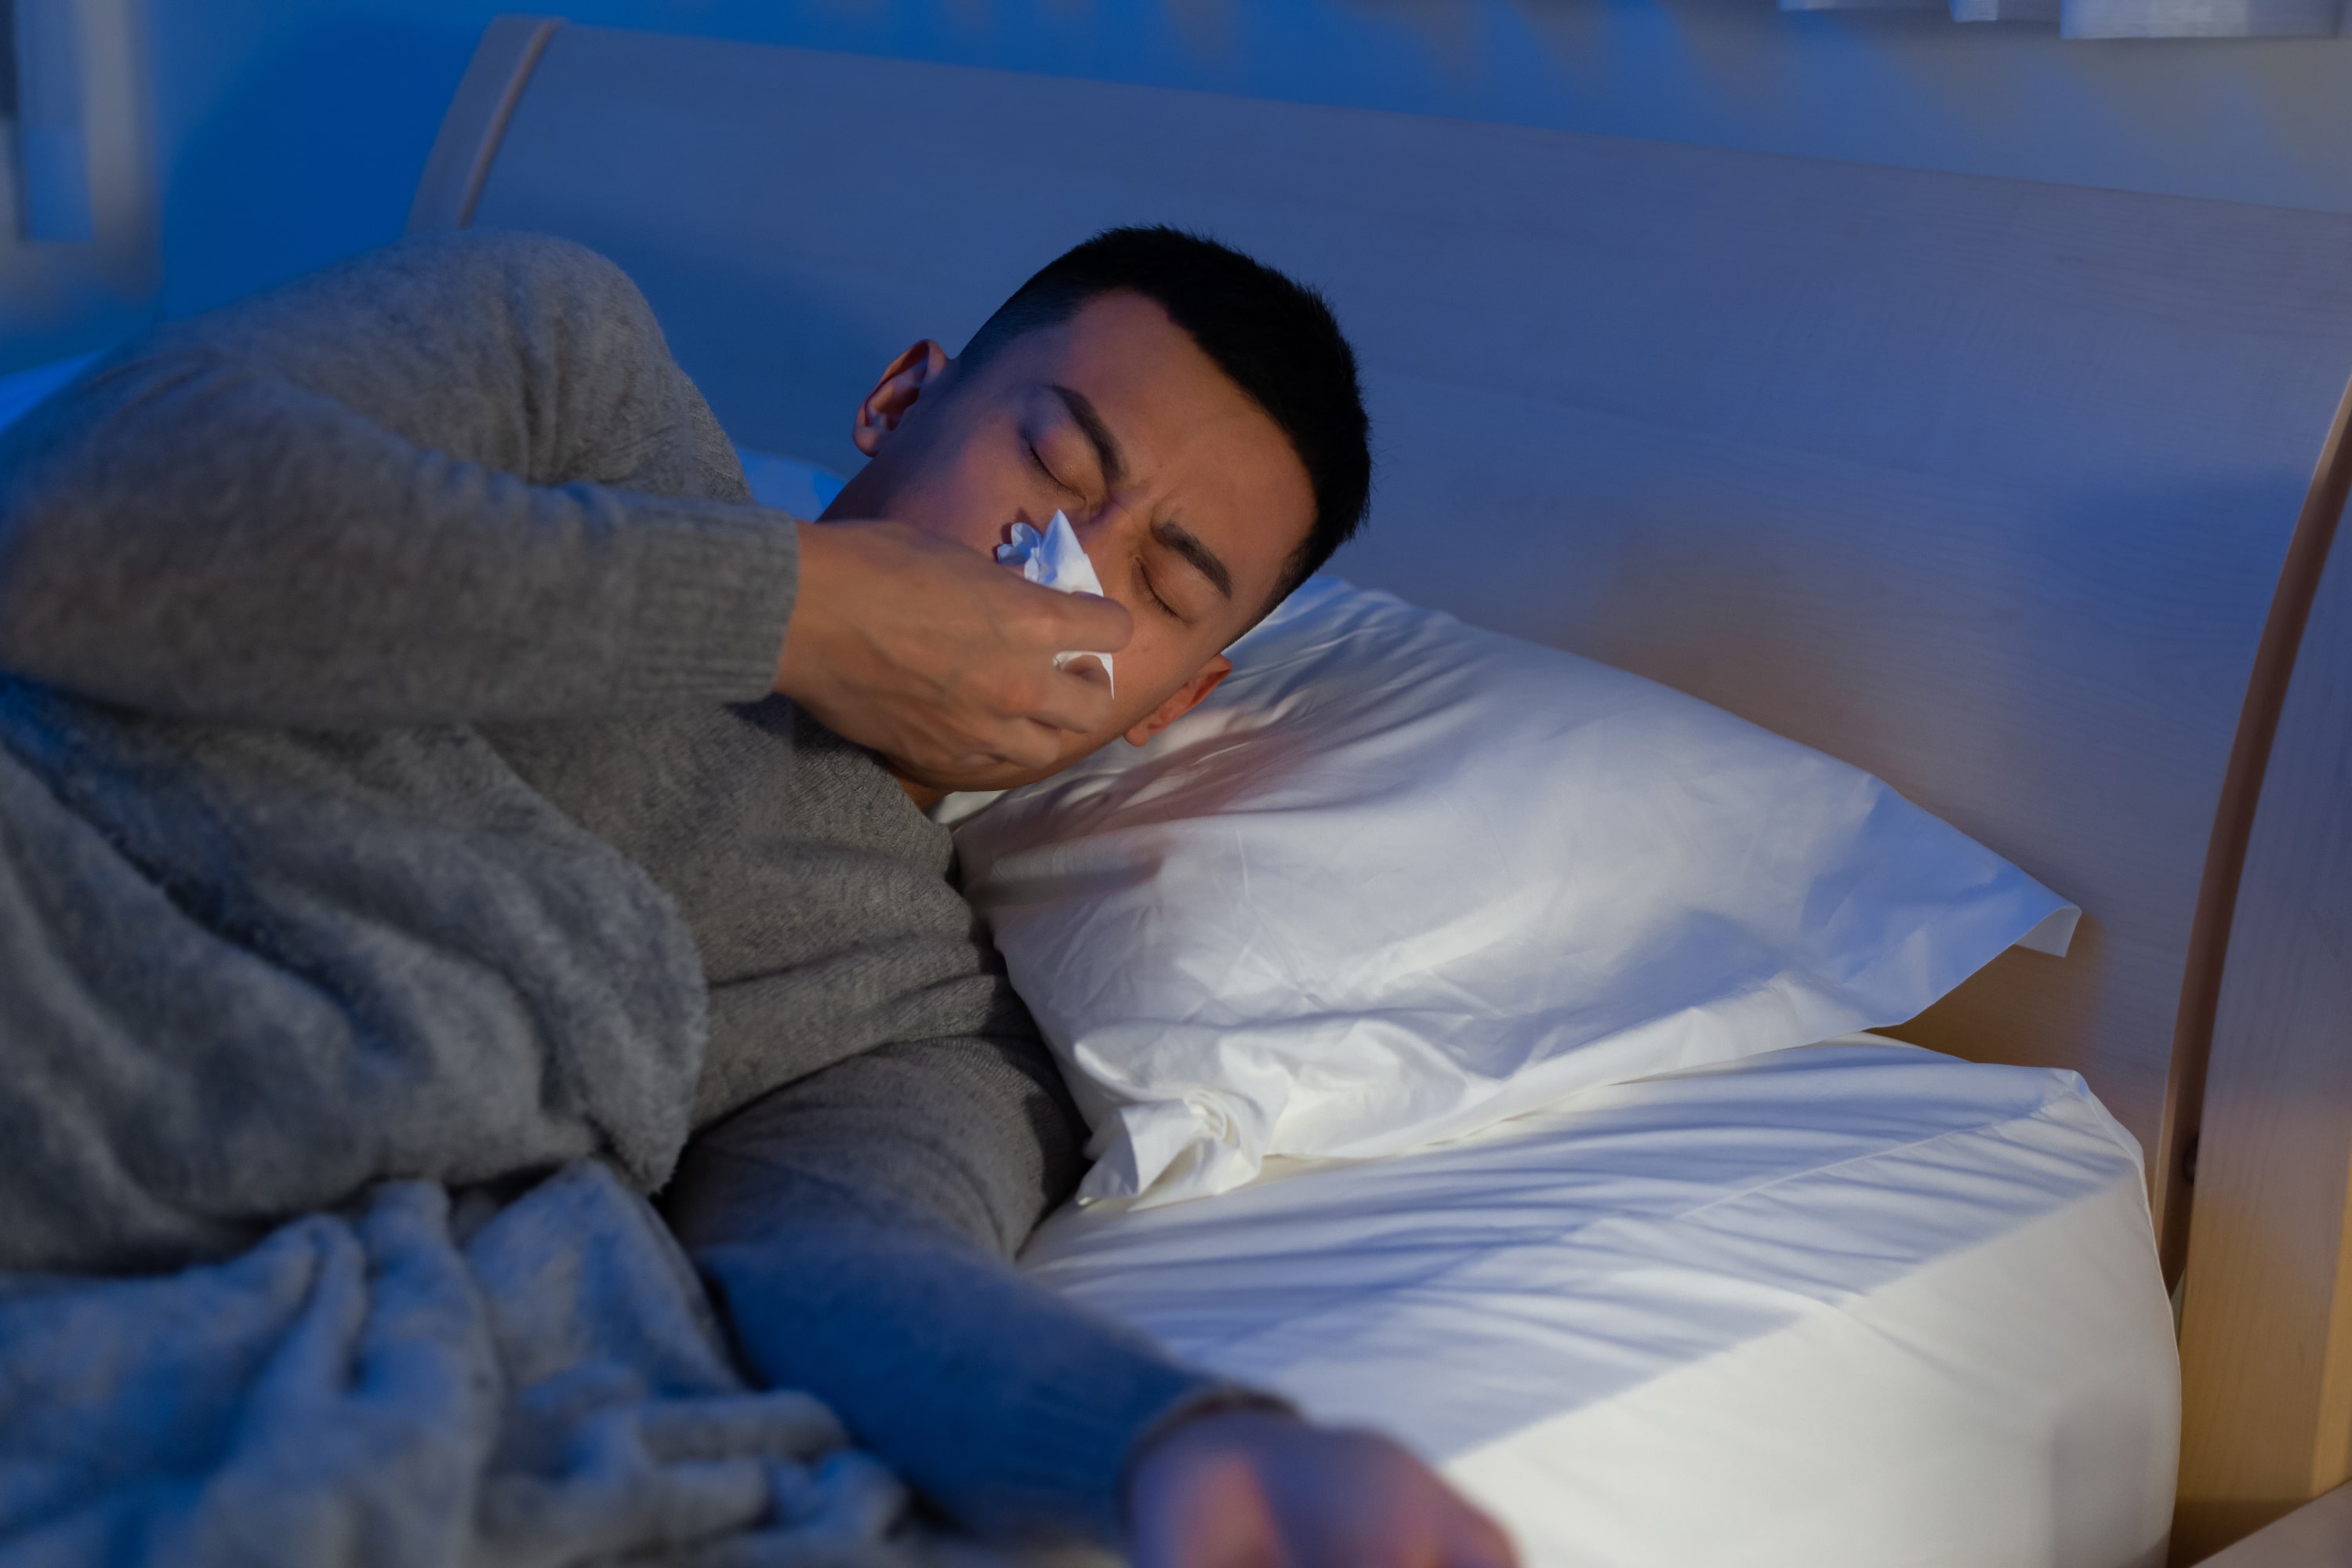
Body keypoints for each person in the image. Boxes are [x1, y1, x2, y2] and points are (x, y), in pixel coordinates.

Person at [0, 224, 1514, 1567]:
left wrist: (1171, 1443)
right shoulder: (574, 377)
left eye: (1160, 590)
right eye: (1052, 465)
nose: (1051, 567)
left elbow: (846, 1261)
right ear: (899, 401)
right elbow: (66, 513)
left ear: (1171, 702)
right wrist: (789, 608)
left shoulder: (919, 1010)